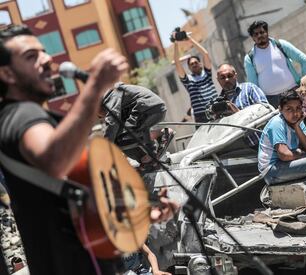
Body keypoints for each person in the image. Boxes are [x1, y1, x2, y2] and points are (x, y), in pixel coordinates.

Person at [0, 24, 178, 275]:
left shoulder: (42, 119)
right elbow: (53, 159)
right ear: (7, 74)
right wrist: (95, 88)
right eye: (31, 56)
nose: (47, 59)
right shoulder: (18, 115)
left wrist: (141, 215)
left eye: (43, 52)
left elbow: (77, 201)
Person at [258, 89, 306, 185]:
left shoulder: (298, 121)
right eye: (289, 109)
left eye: (298, 108)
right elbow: (284, 155)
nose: (295, 113)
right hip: (273, 171)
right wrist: (299, 155)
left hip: (288, 163)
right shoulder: (277, 123)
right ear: (280, 109)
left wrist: (297, 127)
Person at [244, 20, 306, 108]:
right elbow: (253, 85)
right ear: (252, 38)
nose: (259, 35)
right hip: (272, 100)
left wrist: (303, 85)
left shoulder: (280, 45)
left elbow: (305, 60)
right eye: (256, 34)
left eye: (262, 32)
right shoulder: (250, 57)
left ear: (267, 32)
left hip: (294, 92)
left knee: (304, 118)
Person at [101, 82, 168, 163]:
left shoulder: (110, 97)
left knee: (120, 138)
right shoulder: (116, 98)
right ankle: (147, 160)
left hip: (148, 108)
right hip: (150, 108)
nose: (104, 117)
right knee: (120, 138)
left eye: (100, 116)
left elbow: (112, 123)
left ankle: (161, 134)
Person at [211, 63, 268, 148]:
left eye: (229, 76)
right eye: (222, 77)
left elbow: (267, 111)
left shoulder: (249, 89)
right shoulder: (218, 103)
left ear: (235, 75)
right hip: (238, 152)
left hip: (262, 143)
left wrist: (238, 113)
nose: (226, 80)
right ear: (218, 80)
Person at [173, 33, 218, 123]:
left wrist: (190, 39)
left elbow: (205, 54)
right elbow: (177, 63)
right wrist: (175, 43)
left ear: (200, 64)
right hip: (201, 117)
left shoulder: (207, 74)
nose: (194, 64)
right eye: (191, 64)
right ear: (189, 68)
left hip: (216, 110)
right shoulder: (188, 80)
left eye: (196, 62)